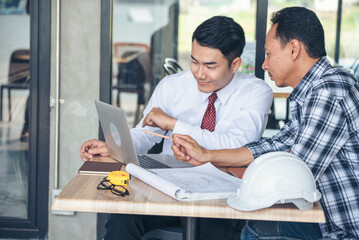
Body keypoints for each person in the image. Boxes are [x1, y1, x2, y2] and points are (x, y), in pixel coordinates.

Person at [172, 7, 359, 240]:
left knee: (255, 229)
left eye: (269, 54)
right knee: (254, 224)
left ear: (293, 49)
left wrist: (232, 177)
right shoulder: (312, 92)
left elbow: (295, 174)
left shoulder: (328, 91)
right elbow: (274, 146)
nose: (264, 64)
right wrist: (205, 155)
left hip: (343, 228)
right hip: (323, 219)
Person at [81, 16, 273, 240]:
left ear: (235, 64)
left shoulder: (256, 92)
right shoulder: (172, 86)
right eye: (194, 61)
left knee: (212, 229)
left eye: (210, 66)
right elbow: (146, 134)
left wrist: (174, 124)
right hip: (165, 186)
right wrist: (114, 145)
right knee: (122, 217)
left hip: (221, 193)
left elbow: (238, 147)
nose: (199, 74)